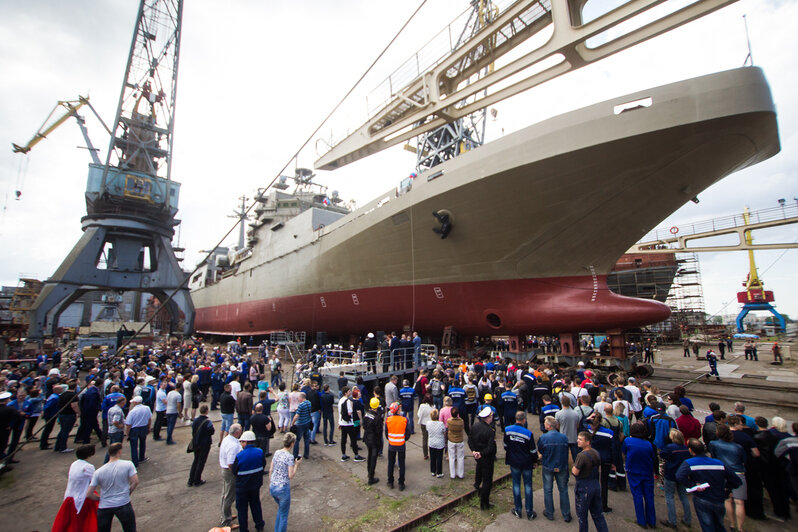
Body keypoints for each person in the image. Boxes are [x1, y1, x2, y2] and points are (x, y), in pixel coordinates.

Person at [676, 438, 742, 532]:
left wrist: (693, 485)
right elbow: (736, 480)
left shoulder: (690, 463)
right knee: (719, 525)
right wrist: (728, 489)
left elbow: (679, 476)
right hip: (718, 498)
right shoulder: (719, 463)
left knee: (707, 526)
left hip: (702, 498)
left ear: (690, 450)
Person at [86, 442, 138, 532]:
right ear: (119, 452)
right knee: (130, 529)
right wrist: (128, 492)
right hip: (123, 503)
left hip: (104, 506)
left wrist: (100, 499)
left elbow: (89, 494)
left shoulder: (98, 472)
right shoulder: (128, 464)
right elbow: (135, 481)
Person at [708, 424, 747, 532]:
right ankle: (740, 527)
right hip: (738, 472)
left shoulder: (713, 444)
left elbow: (713, 456)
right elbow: (744, 460)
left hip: (722, 472)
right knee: (739, 502)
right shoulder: (738, 447)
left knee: (727, 500)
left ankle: (732, 524)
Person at [52, 445, 99, 532]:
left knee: (72, 522)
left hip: (70, 497)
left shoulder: (74, 464)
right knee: (86, 519)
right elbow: (95, 479)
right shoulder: (88, 467)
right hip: (82, 498)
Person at [623, 421, 656, 529]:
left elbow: (624, 452)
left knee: (637, 495)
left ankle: (641, 520)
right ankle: (652, 520)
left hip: (633, 471)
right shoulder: (648, 444)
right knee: (649, 496)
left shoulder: (628, 441)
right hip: (647, 472)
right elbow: (653, 457)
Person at [505, 411, 538, 520]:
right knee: (528, 486)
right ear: (524, 420)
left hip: (514, 462)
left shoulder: (507, 430)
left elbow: (505, 445)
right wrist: (535, 461)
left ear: (516, 419)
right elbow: (533, 451)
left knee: (516, 485)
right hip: (526, 462)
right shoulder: (528, 433)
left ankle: (518, 510)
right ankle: (529, 511)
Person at [232, 430, 267, 532]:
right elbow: (263, 464)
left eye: (242, 442)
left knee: (242, 509)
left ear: (246, 442)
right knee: (256, 505)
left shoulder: (240, 456)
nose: (241, 444)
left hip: (242, 487)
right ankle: (259, 525)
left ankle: (244, 529)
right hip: (255, 485)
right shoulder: (260, 452)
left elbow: (234, 471)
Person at [538, 416, 571, 522]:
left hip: (548, 465)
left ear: (548, 426)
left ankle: (549, 512)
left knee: (548, 490)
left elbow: (541, 450)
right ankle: (566, 514)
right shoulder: (564, 437)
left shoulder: (544, 438)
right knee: (563, 490)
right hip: (561, 466)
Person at [659, 429, 692, 529]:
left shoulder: (670, 447)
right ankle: (688, 519)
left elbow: (662, 454)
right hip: (682, 475)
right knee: (684, 497)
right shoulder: (686, 449)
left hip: (671, 474)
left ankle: (672, 521)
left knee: (669, 497)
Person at [270, 432, 301, 532]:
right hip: (282, 488)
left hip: (273, 486)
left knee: (281, 509)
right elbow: (290, 475)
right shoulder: (289, 457)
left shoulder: (277, 452)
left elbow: (271, 469)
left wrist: (272, 481)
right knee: (284, 515)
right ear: (292, 443)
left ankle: (276, 530)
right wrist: (296, 465)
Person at [469, 406, 497, 510]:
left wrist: (474, 451)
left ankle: (476, 485)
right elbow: (491, 448)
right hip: (486, 458)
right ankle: (484, 503)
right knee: (487, 481)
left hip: (478, 456)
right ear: (488, 418)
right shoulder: (490, 431)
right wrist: (481, 453)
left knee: (479, 469)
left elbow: (470, 440)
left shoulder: (475, 427)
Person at [219, 423, 243, 527]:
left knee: (225, 494)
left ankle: (225, 515)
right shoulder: (233, 446)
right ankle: (226, 522)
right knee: (229, 496)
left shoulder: (227, 439)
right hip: (229, 471)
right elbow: (230, 463)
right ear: (237, 433)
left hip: (225, 469)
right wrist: (236, 473)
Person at [385, 401, 410, 490]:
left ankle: (390, 481)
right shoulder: (404, 420)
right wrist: (404, 439)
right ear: (398, 410)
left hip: (391, 444)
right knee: (401, 463)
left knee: (391, 463)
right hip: (401, 444)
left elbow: (386, 433)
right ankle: (401, 483)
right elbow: (408, 433)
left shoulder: (388, 420)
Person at [188, 404, 215, 487]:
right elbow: (212, 431)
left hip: (196, 443)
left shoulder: (195, 420)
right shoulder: (208, 422)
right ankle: (197, 480)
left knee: (196, 460)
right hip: (205, 443)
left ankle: (190, 480)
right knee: (201, 461)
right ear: (207, 411)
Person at [123, 396, 152, 467]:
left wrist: (127, 433)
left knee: (134, 446)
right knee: (142, 443)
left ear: (135, 403)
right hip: (144, 427)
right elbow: (149, 419)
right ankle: (142, 457)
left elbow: (128, 424)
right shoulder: (147, 408)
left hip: (134, 429)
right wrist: (148, 428)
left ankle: (135, 462)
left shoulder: (132, 412)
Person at [338, 387, 364, 462]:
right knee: (353, 439)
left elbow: (340, 413)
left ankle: (343, 455)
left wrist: (339, 423)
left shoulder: (340, 400)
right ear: (346, 393)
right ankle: (356, 455)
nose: (350, 392)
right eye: (349, 391)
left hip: (342, 422)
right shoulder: (348, 401)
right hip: (349, 423)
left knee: (343, 439)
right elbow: (350, 412)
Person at [362, 397, 383, 485]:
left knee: (369, 455)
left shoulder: (366, 414)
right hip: (374, 440)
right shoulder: (377, 418)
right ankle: (371, 477)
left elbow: (363, 425)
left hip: (367, 438)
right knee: (373, 458)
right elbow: (379, 431)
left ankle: (369, 472)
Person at [555, 395, 580, 459]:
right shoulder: (576, 413)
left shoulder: (558, 414)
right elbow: (577, 426)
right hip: (573, 437)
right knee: (575, 456)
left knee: (563, 456)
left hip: (563, 437)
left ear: (561, 402)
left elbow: (557, 426)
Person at [290, 392, 312, 460]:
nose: (298, 399)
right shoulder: (309, 403)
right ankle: (306, 454)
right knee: (306, 439)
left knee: (297, 440)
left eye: (299, 398)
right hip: (307, 422)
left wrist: (292, 423)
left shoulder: (301, 405)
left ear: (302, 398)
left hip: (300, 424)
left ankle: (295, 455)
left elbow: (296, 416)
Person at [105, 396, 126, 463]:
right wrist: (120, 426)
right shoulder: (118, 411)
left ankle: (108, 462)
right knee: (115, 449)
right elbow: (115, 421)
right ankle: (110, 462)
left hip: (111, 430)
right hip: (117, 432)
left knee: (111, 448)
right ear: (122, 402)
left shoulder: (111, 408)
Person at [446, 406, 466, 479]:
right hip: (459, 440)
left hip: (451, 440)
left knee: (452, 457)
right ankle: (460, 474)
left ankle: (452, 474)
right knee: (460, 457)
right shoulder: (461, 421)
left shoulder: (449, 421)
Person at [426, 408, 446, 478]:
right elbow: (444, 430)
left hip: (431, 442)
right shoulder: (441, 424)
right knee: (439, 458)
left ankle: (433, 471)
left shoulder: (428, 423)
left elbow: (427, 430)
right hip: (440, 443)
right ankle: (439, 472)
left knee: (432, 457)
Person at [417, 394, 433, 460]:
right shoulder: (433, 406)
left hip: (423, 423)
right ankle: (432, 453)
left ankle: (425, 454)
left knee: (425, 439)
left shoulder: (422, 406)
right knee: (431, 438)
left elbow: (419, 414)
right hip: (431, 423)